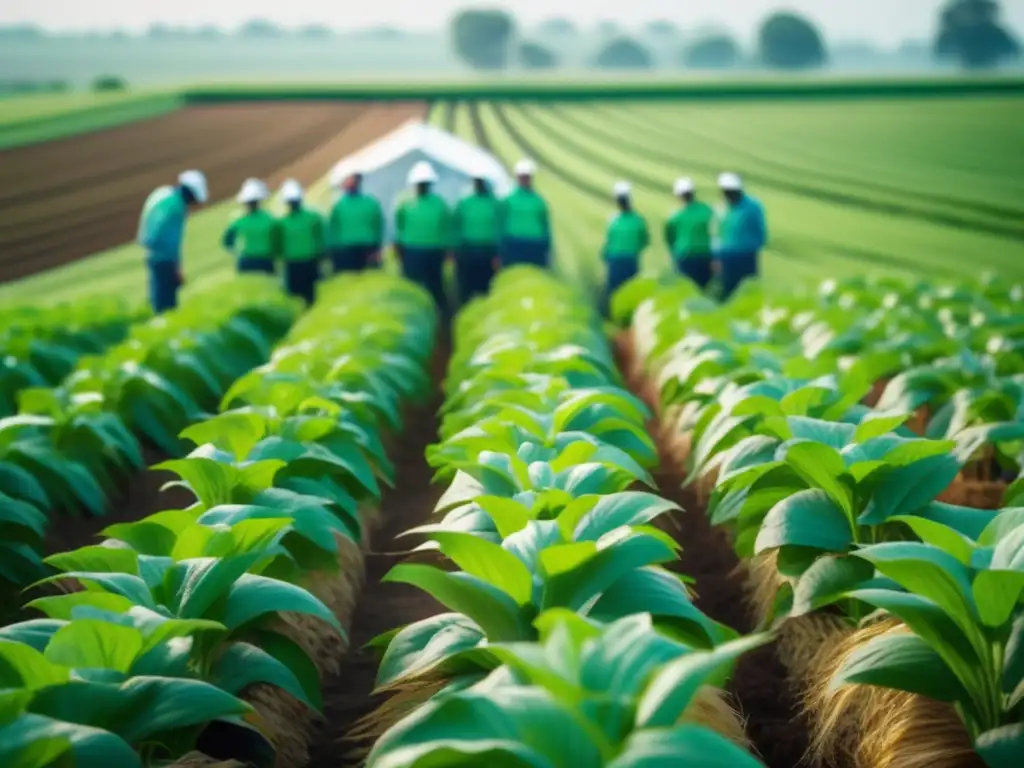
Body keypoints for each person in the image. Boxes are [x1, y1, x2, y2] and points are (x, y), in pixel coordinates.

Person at [137, 169, 208, 314]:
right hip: (164, 259)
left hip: (153, 256)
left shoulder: (164, 196)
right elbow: (171, 241)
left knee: (158, 299)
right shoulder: (176, 206)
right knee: (167, 305)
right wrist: (176, 268)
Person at [395, 161, 453, 319]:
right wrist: (399, 249)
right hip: (412, 251)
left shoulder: (439, 204)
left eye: (425, 184)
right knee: (412, 289)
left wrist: (448, 249)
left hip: (433, 252)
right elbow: (399, 228)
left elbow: (447, 228)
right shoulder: (405, 203)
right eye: (420, 184)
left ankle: (443, 322)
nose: (422, 186)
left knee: (436, 288)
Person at [714, 172, 767, 300]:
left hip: (746, 255)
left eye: (731, 192)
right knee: (728, 292)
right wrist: (716, 257)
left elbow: (760, 231)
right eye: (726, 192)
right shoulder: (720, 208)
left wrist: (753, 246)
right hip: (727, 257)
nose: (728, 195)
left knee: (748, 292)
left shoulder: (752, 207)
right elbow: (716, 234)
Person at [601, 181, 649, 315]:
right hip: (627, 258)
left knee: (619, 291)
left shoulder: (614, 220)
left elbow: (608, 242)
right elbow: (644, 241)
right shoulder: (637, 220)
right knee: (628, 291)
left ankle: (620, 318)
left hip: (617, 259)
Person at [453, 172, 501, 304]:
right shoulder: (464, 201)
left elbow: (500, 226)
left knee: (486, 287)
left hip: (488, 250)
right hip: (468, 249)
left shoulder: (494, 202)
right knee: (466, 287)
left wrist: (498, 252)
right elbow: (456, 224)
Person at [276, 179, 325, 307]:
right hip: (309, 261)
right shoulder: (314, 217)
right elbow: (322, 238)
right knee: (311, 296)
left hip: (295, 263)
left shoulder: (282, 222)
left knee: (296, 296)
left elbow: (278, 245)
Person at [328, 171, 384, 273]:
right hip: (365, 249)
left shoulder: (338, 206)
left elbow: (332, 231)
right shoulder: (371, 203)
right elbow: (378, 228)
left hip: (346, 251)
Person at [665, 177, 715, 289]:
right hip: (706, 256)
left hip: (685, 256)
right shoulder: (708, 210)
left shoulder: (675, 216)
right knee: (704, 290)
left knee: (686, 291)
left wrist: (673, 254)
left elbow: (669, 239)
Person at [500, 158, 551, 268]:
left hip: (535, 244)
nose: (524, 180)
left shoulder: (538, 201)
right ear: (517, 178)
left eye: (527, 177)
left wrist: (547, 247)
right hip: (513, 243)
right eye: (522, 177)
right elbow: (500, 225)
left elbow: (545, 226)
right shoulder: (508, 200)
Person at [222, 178, 279, 275]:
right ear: (259, 201)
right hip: (266, 259)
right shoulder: (270, 218)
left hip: (245, 260)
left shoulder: (239, 220)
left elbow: (227, 241)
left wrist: (236, 251)